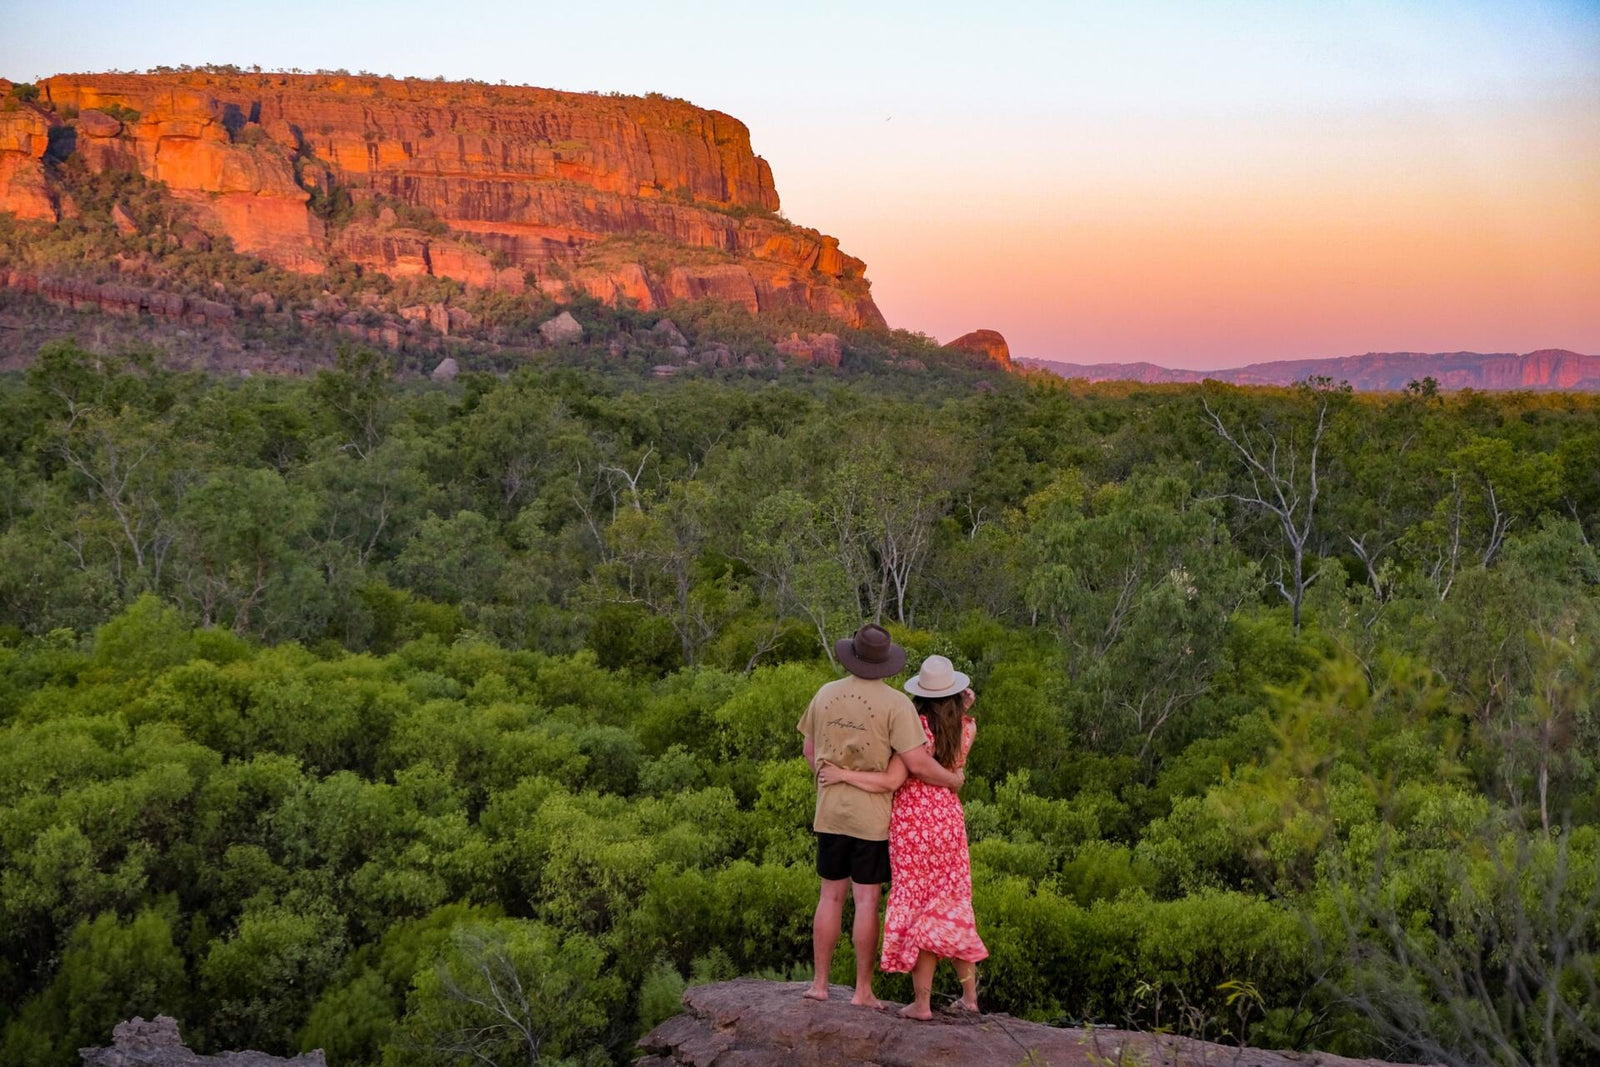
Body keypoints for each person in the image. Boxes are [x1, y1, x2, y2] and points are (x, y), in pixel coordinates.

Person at [797, 624, 966, 1008]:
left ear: (852, 656)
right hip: (871, 818)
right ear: (886, 663)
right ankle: (862, 991)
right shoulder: (896, 704)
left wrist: (831, 781)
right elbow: (918, 763)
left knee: (830, 897)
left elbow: (810, 751)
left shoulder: (824, 694)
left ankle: (819, 985)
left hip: (830, 812)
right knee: (866, 902)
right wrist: (953, 780)